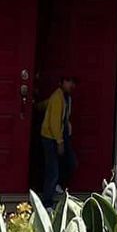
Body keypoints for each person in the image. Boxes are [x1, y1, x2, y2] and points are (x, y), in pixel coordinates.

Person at [38, 75, 77, 206]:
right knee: (52, 170)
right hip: (50, 137)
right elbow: (54, 122)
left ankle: (58, 185)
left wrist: (68, 124)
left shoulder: (67, 98)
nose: (71, 85)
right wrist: (59, 142)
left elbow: (60, 114)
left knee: (70, 163)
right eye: (68, 81)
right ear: (62, 83)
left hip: (61, 135)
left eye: (72, 82)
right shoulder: (57, 97)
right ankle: (47, 202)